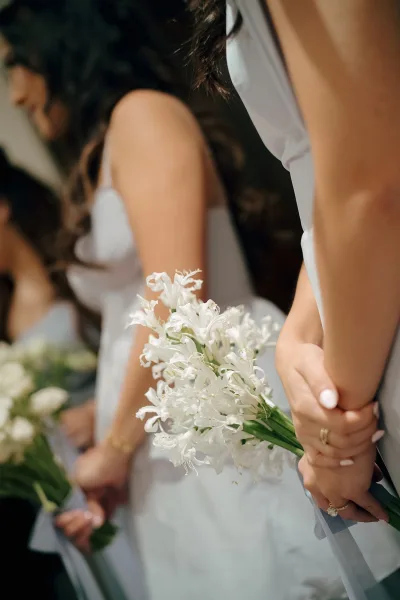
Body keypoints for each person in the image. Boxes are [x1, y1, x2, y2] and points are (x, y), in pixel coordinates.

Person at [0, 1, 365, 598]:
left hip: (213, 391)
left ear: (58, 46)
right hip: (165, 421)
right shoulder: (100, 151)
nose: (14, 93)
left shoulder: (143, 116)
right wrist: (107, 421)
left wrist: (117, 447)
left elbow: (175, 297)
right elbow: (130, 316)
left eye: (15, 64)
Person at [189, 0, 400, 596]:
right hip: (358, 299)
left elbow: (372, 186)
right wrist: (299, 334)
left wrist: (340, 433)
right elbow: (331, 189)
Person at [0, 146, 98, 599]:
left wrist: (102, 409)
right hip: (69, 488)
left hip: (121, 446)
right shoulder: (5, 311)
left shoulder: (75, 268)